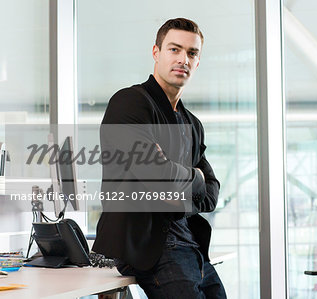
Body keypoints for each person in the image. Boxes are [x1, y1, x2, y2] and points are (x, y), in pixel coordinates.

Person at [92, 18, 226, 299]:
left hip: (190, 243)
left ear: (198, 62)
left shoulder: (192, 123)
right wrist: (193, 177)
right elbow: (158, 176)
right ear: (156, 53)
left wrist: (188, 180)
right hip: (149, 245)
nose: (183, 59)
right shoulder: (129, 103)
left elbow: (212, 193)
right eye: (174, 49)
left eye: (192, 53)